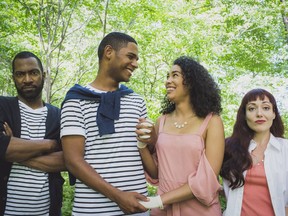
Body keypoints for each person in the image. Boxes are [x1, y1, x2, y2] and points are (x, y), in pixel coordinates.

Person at [60, 32, 149, 215]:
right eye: (130, 56)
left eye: (137, 59)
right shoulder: (75, 101)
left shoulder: (137, 101)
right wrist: (118, 196)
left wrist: (152, 138)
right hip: (92, 210)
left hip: (138, 208)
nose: (136, 64)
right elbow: (73, 161)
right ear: (109, 52)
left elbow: (145, 152)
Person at [136, 56, 225, 215]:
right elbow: (157, 173)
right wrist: (142, 145)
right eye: (167, 76)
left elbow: (207, 179)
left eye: (175, 75)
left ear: (191, 82)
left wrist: (159, 200)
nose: (168, 81)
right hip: (162, 212)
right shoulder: (161, 121)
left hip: (199, 211)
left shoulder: (212, 122)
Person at [0, 51, 65, 216]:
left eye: (33, 73)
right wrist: (49, 144)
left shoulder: (58, 116)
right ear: (13, 77)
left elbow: (66, 160)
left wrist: (14, 147)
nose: (27, 79)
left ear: (43, 75)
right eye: (20, 74)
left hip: (47, 211)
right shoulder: (3, 107)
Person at [220, 88, 288, 216]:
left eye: (266, 108)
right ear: (244, 115)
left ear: (274, 113)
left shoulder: (285, 149)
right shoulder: (229, 148)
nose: (259, 114)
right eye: (251, 108)